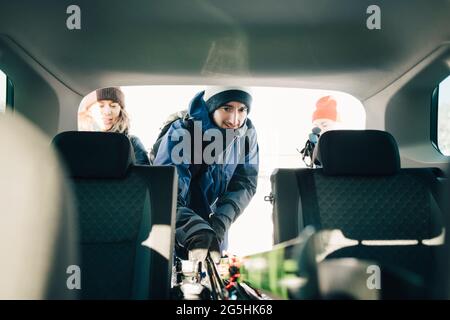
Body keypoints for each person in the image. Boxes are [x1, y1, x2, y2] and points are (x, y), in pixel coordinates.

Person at [153, 87, 259, 261]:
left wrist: (220, 222)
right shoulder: (183, 132)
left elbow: (244, 183)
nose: (235, 119)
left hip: (214, 224)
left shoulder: (247, 135)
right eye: (227, 108)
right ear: (212, 107)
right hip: (175, 222)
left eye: (242, 109)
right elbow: (166, 192)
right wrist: (193, 228)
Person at [78, 87, 150, 165]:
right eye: (101, 106)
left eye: (113, 106)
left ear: (120, 110)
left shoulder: (132, 142)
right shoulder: (84, 142)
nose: (107, 112)